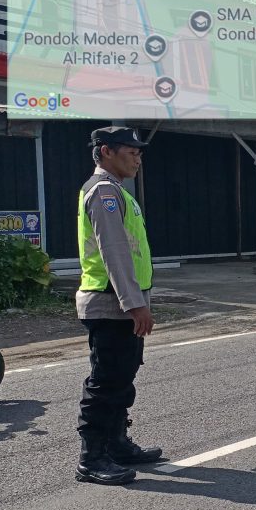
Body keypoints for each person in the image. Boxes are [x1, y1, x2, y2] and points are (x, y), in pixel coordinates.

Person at [75, 127, 163, 486]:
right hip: (111, 304)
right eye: (132, 152)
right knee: (106, 381)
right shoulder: (104, 192)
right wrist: (135, 304)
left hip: (121, 304)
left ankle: (116, 443)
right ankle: (92, 458)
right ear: (107, 152)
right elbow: (114, 251)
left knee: (122, 376)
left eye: (140, 153)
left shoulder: (119, 192)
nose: (138, 158)